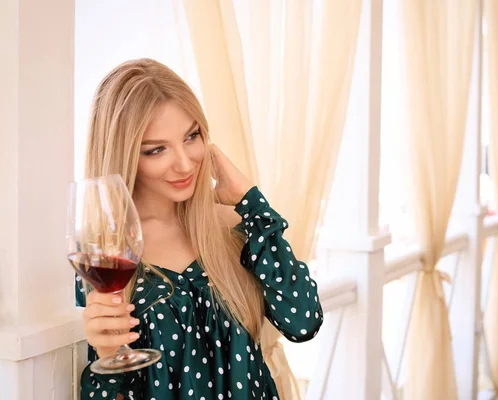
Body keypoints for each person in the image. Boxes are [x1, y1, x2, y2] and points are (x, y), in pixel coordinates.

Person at [76, 58, 323, 399]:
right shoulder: (107, 260)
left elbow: (303, 320)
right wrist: (106, 357)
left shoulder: (235, 225)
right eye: (157, 149)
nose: (184, 162)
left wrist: (252, 202)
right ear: (126, 155)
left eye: (191, 136)